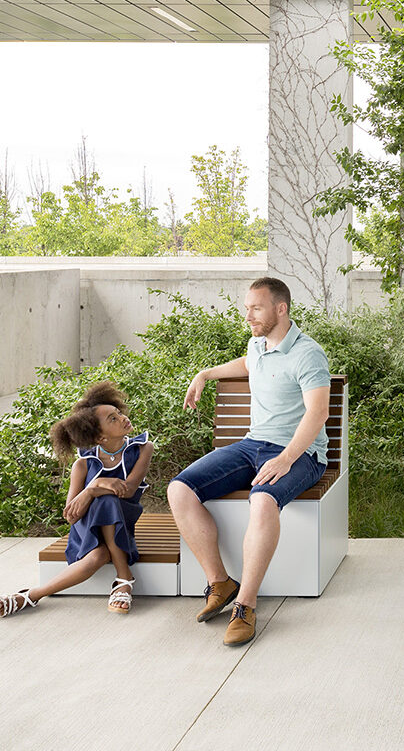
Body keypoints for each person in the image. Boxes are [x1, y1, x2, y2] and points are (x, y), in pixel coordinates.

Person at [170, 277, 331, 647]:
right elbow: (247, 364)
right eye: (247, 308)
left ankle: (246, 605)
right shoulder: (258, 344)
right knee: (180, 489)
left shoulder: (308, 354)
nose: (248, 315)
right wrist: (205, 373)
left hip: (301, 453)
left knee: (261, 498)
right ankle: (221, 582)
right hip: (251, 444)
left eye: (255, 308)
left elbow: (318, 412)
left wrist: (287, 458)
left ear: (280, 309)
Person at [0, 381, 152, 617]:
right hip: (87, 529)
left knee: (105, 517)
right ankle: (121, 578)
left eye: (118, 413)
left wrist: (96, 488)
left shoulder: (142, 448)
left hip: (122, 522)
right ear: (100, 438)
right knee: (100, 536)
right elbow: (71, 515)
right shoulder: (83, 464)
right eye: (112, 419)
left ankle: (31, 595)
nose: (122, 418)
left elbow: (127, 491)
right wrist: (92, 488)